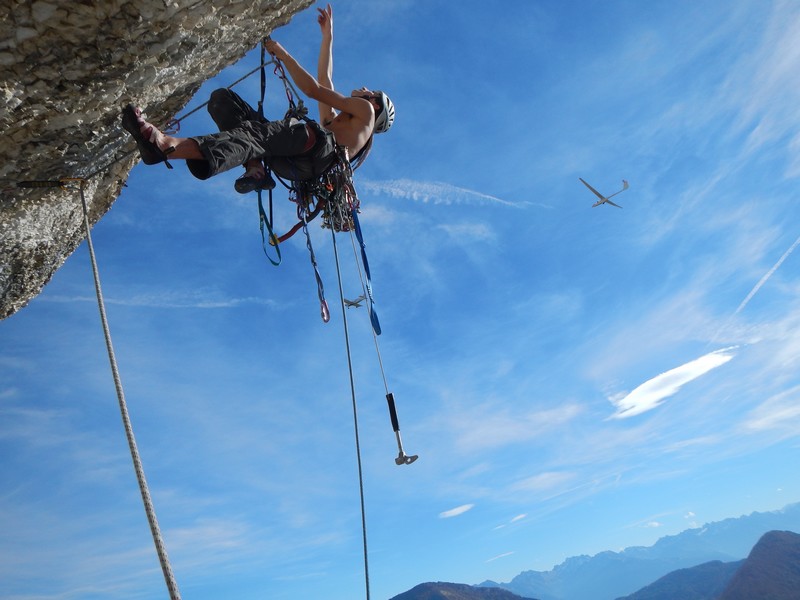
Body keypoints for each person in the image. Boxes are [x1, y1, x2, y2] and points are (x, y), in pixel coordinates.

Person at [121, 4, 394, 193]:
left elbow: (313, 90)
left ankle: (166, 146)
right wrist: (328, 37)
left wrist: (284, 55)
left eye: (371, 91)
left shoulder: (365, 112)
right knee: (223, 100)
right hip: (297, 164)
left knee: (256, 136)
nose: (365, 88)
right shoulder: (339, 125)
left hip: (310, 150)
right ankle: (255, 169)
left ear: (375, 104)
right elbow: (324, 81)